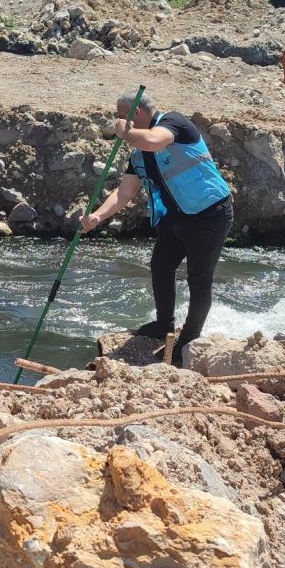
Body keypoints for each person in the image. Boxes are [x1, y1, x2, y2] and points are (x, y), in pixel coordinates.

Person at [80, 91, 233, 364]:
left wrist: (123, 130)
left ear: (136, 113)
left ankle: (190, 338)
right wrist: (97, 217)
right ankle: (165, 324)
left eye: (121, 115)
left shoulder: (175, 123)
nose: (118, 120)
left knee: (199, 279)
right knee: (160, 266)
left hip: (210, 213)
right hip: (175, 217)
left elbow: (152, 141)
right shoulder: (138, 154)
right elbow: (124, 192)